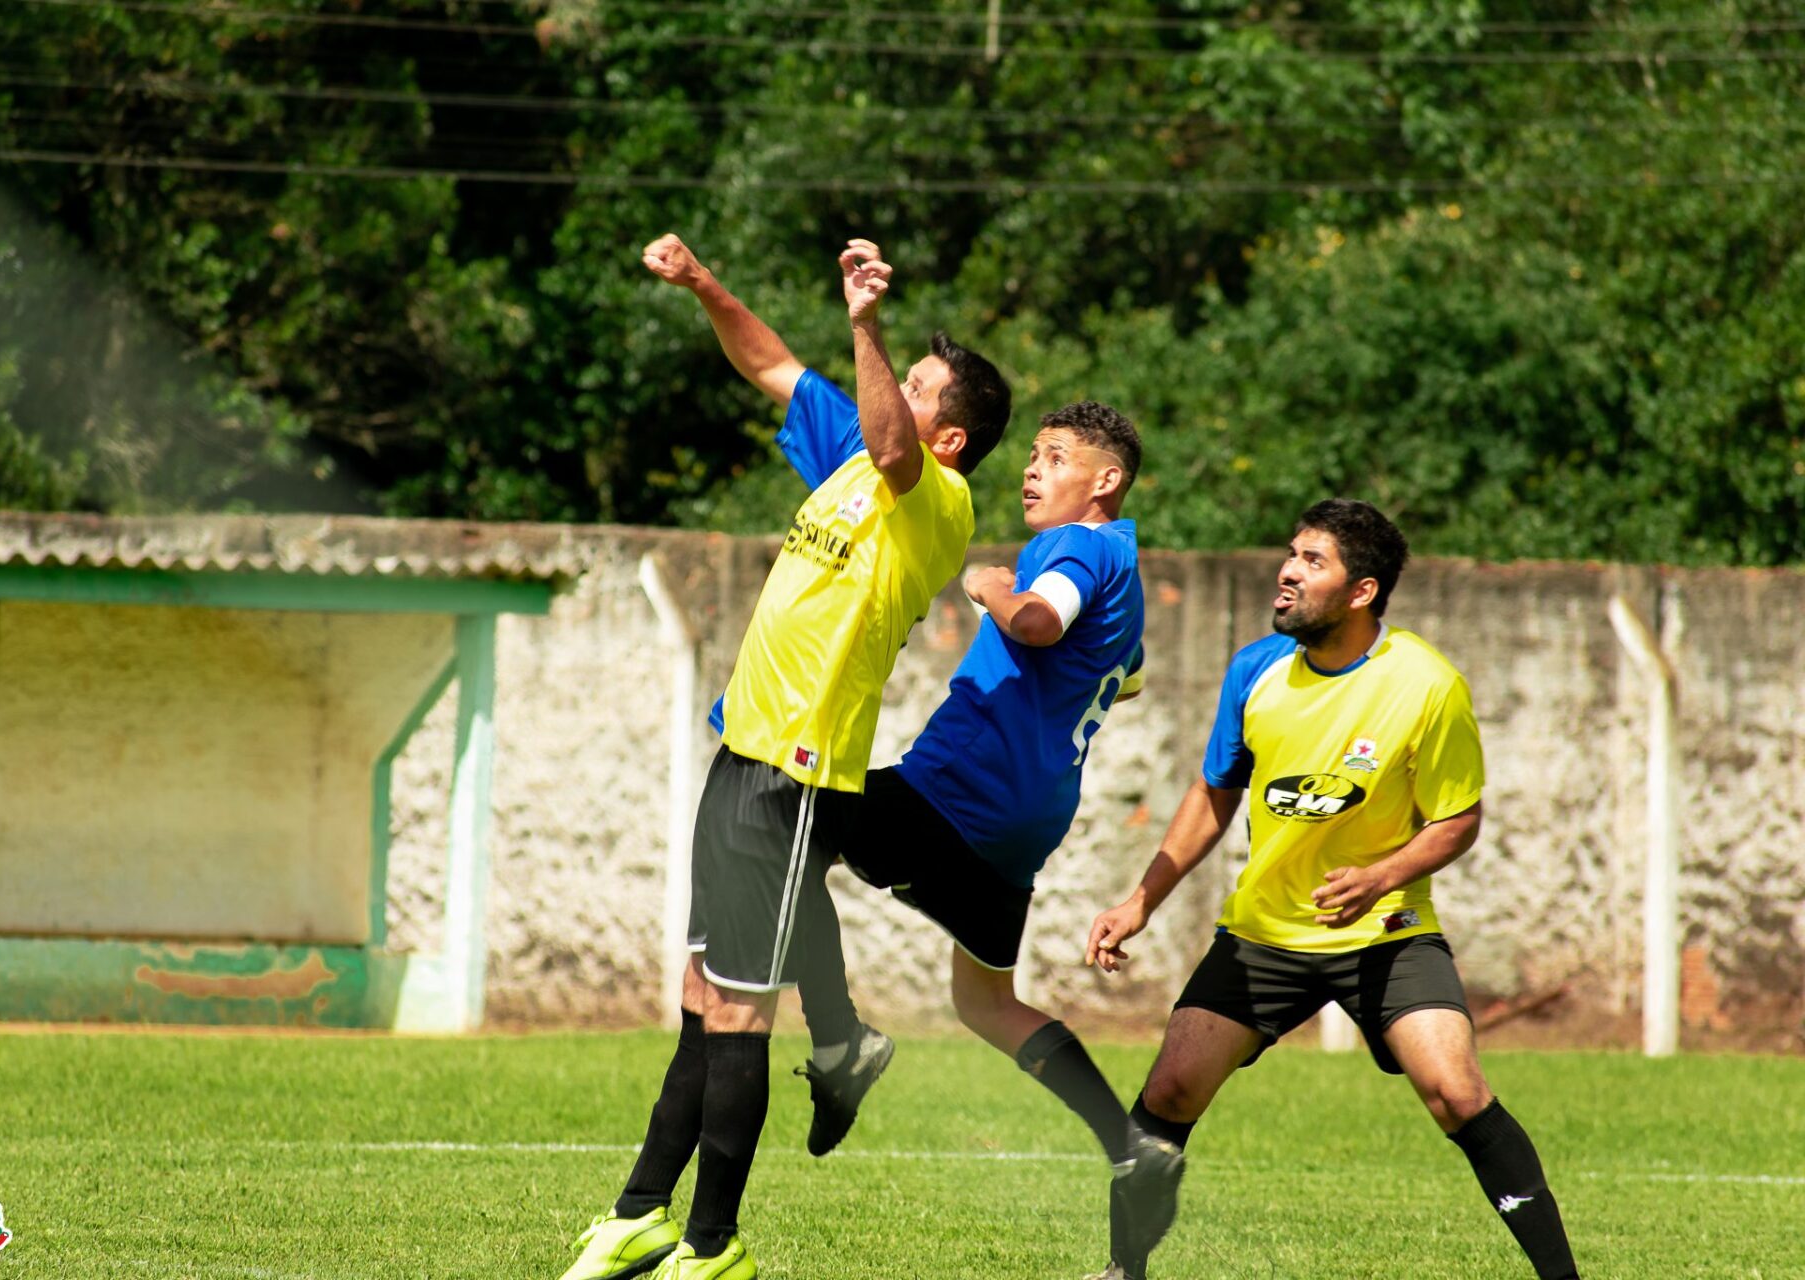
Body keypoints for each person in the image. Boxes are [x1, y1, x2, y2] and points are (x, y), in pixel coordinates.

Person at [557, 233, 1011, 1280]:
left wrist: (866, 324)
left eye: (915, 383)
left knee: (742, 1013)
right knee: (702, 995)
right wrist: (706, 284)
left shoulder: (934, 496)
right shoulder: (851, 454)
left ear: (951, 434)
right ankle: (638, 1213)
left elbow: (895, 449)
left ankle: (713, 1243)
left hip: (799, 772)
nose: (890, 387)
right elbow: (770, 367)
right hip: (743, 749)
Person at [1084, 498, 1580, 1280]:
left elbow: (1459, 819)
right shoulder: (1256, 670)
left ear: (1362, 592)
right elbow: (1214, 793)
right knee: (1172, 1089)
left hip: (1386, 931)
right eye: (1291, 554)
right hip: (1265, 935)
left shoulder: (1425, 684)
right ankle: (1122, 1272)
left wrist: (1381, 877)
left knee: (1456, 1092)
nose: (1287, 571)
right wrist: (1141, 899)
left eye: (1313, 561)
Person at [788, 400, 1185, 1277]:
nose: (1032, 470)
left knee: (781, 822)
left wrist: (988, 586)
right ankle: (1129, 1145)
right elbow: (1126, 678)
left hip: (960, 789)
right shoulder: (1128, 574)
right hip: (1025, 820)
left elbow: (1040, 621)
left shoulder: (1075, 548)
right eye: (1033, 455)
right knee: (985, 1004)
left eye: (1055, 457)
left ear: (1105, 481)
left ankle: (839, 1042)